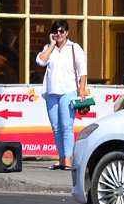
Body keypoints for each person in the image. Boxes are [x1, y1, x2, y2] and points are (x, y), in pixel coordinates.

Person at [35, 19, 88, 171]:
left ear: (67, 33)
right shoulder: (48, 48)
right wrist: (51, 44)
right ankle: (61, 158)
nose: (59, 34)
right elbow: (40, 61)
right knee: (56, 127)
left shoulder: (74, 48)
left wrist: (82, 90)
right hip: (52, 91)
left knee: (67, 126)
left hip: (68, 90)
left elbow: (83, 71)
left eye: (62, 31)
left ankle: (68, 159)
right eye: (56, 31)